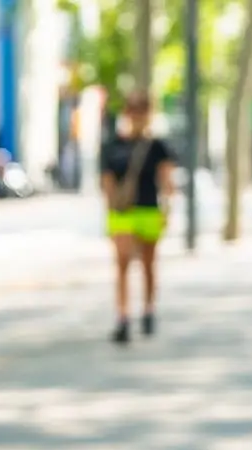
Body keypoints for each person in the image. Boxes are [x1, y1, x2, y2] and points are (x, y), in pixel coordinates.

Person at [100, 92, 177, 345]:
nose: (137, 116)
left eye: (142, 111)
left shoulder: (157, 146)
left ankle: (148, 310)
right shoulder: (113, 145)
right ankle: (123, 317)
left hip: (148, 210)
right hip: (122, 214)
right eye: (133, 110)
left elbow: (167, 181)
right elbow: (107, 180)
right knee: (122, 262)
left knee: (148, 264)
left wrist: (167, 211)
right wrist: (109, 211)